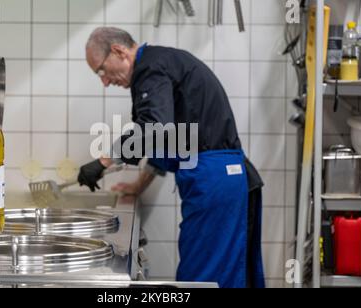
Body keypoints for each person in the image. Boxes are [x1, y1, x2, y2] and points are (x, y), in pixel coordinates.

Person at [78, 27, 265, 288]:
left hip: (215, 178)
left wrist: (103, 162)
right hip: (220, 177)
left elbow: (155, 127)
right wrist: (137, 186)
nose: (105, 81)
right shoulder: (161, 63)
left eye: (101, 70)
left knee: (202, 277)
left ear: (118, 51)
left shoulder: (150, 68)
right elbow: (170, 140)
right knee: (215, 273)